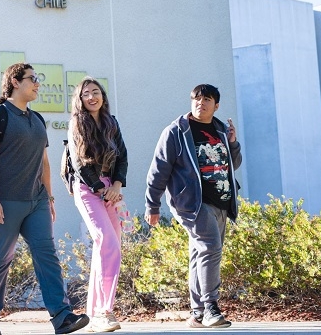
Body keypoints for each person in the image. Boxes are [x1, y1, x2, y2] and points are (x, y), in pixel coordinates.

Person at [0, 63, 89, 335]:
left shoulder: (37, 119)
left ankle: (62, 317)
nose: (37, 84)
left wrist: (49, 197)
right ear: (15, 81)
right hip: (2, 200)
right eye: (32, 79)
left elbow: (44, 162)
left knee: (47, 254)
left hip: (35, 200)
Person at [144, 84, 242, 329]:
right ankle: (211, 306)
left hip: (221, 199)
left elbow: (233, 164)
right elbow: (159, 170)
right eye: (196, 99)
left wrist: (232, 143)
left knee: (200, 253)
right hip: (192, 203)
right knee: (210, 247)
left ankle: (197, 313)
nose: (201, 103)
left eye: (207, 99)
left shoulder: (220, 130)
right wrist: (152, 204)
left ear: (216, 105)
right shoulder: (176, 131)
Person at [67, 77, 127, 332]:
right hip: (88, 188)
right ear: (79, 100)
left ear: (103, 95)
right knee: (107, 241)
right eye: (85, 94)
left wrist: (116, 185)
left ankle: (95, 314)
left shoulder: (111, 123)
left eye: (95, 92)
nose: (91, 97)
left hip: (109, 190)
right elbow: (79, 163)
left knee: (112, 246)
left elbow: (122, 157)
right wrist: (100, 188)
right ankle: (105, 311)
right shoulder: (77, 123)